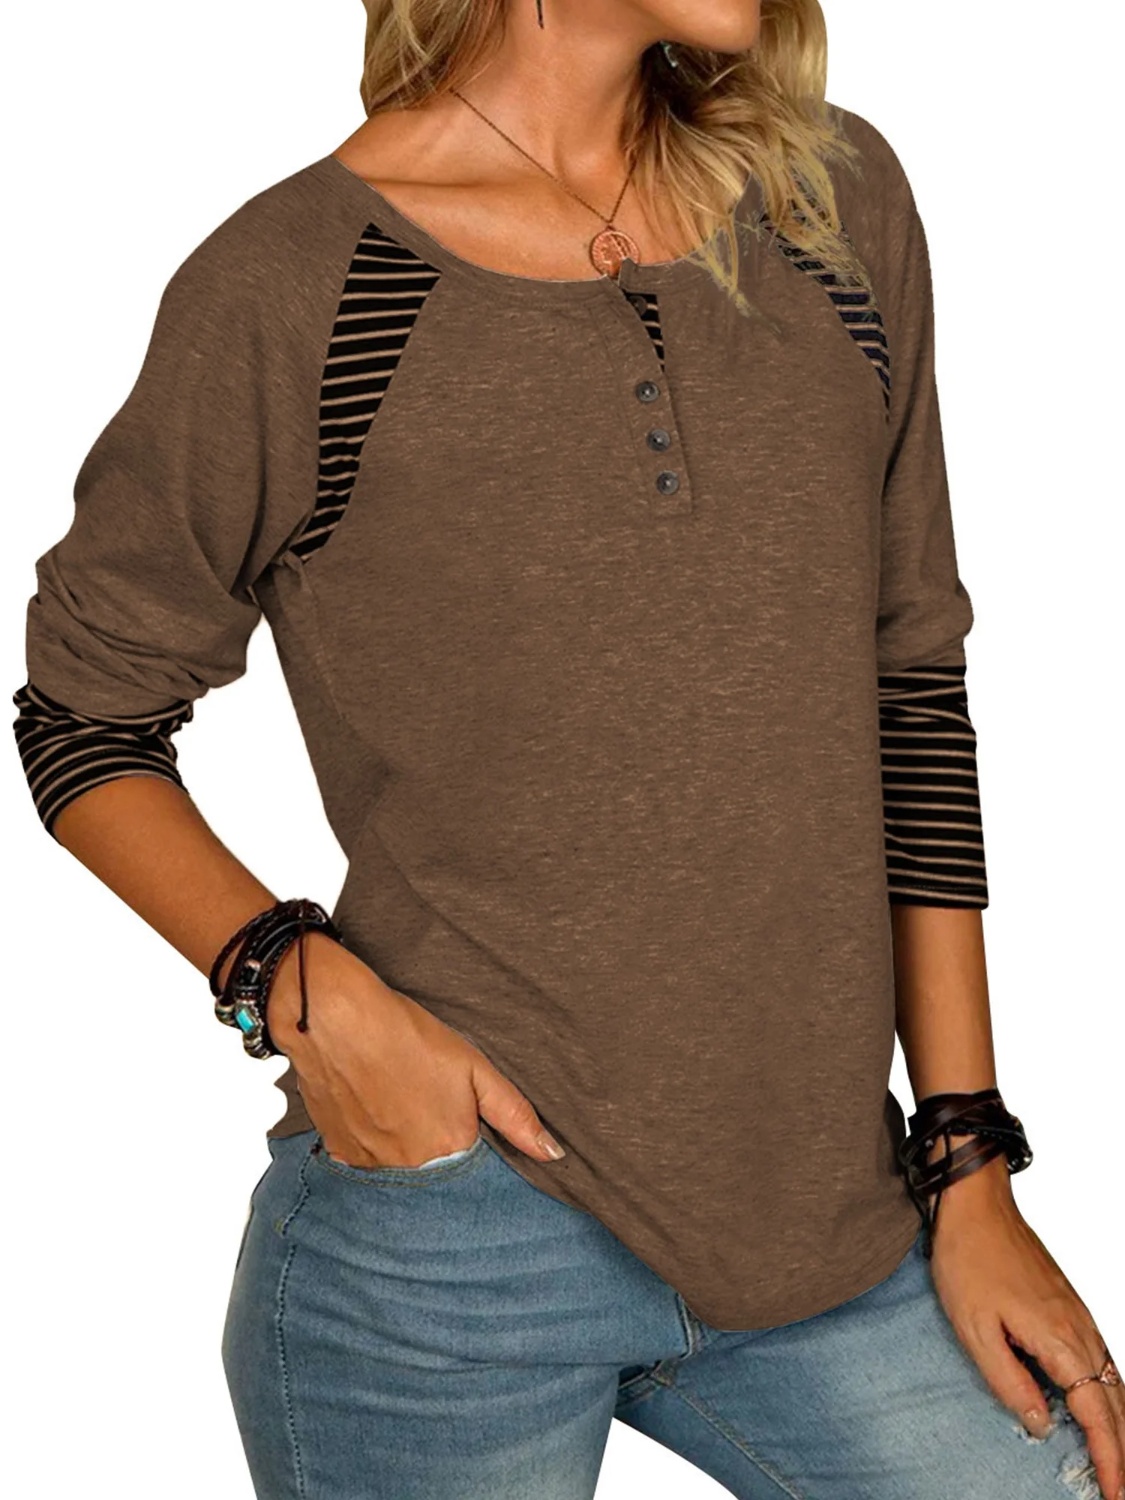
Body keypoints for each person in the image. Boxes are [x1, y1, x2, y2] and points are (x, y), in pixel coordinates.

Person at [11, 2, 1122, 1496]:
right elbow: (83, 717)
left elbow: (909, 682)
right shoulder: (296, 283)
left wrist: (968, 1160)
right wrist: (296, 985)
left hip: (833, 1221)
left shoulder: (829, 204)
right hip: (448, 1244)